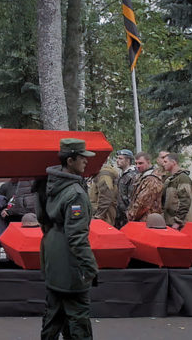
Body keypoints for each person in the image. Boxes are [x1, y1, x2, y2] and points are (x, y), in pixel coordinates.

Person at [40, 139, 97, 340]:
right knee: (78, 315)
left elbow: (42, 218)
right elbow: (77, 236)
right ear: (70, 161)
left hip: (53, 254)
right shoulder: (75, 193)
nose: (86, 162)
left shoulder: (50, 183)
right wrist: (90, 267)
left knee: (54, 313)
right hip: (69, 260)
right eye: (82, 158)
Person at [161, 152, 192, 228]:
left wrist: (178, 222)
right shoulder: (170, 180)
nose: (163, 164)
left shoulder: (183, 178)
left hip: (180, 225)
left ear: (173, 162)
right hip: (170, 222)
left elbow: (185, 201)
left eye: (165, 162)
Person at [126, 153, 163, 221]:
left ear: (148, 162)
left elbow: (143, 203)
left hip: (148, 219)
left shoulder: (152, 179)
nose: (138, 166)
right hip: (140, 218)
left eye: (140, 163)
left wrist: (131, 215)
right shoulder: (141, 176)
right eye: (136, 163)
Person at [87, 155, 119, 224]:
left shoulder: (104, 174)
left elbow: (106, 196)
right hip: (102, 213)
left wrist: (98, 216)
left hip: (104, 216)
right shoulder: (100, 173)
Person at [114, 150, 137, 228]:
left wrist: (130, 213)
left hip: (128, 215)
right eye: (117, 158)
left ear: (128, 160)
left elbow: (132, 197)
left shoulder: (133, 175)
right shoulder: (122, 174)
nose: (117, 161)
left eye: (120, 159)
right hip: (120, 215)